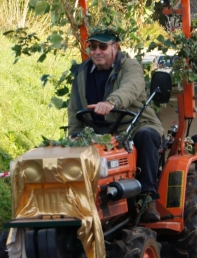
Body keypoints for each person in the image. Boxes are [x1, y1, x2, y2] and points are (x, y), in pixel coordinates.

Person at [68, 29, 164, 222]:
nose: (97, 51)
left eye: (103, 47)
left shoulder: (130, 66)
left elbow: (131, 87)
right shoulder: (82, 73)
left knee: (146, 136)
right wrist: (75, 134)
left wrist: (111, 102)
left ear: (115, 48)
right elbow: (74, 107)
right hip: (98, 132)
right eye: (93, 47)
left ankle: (146, 199)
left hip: (134, 126)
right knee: (74, 150)